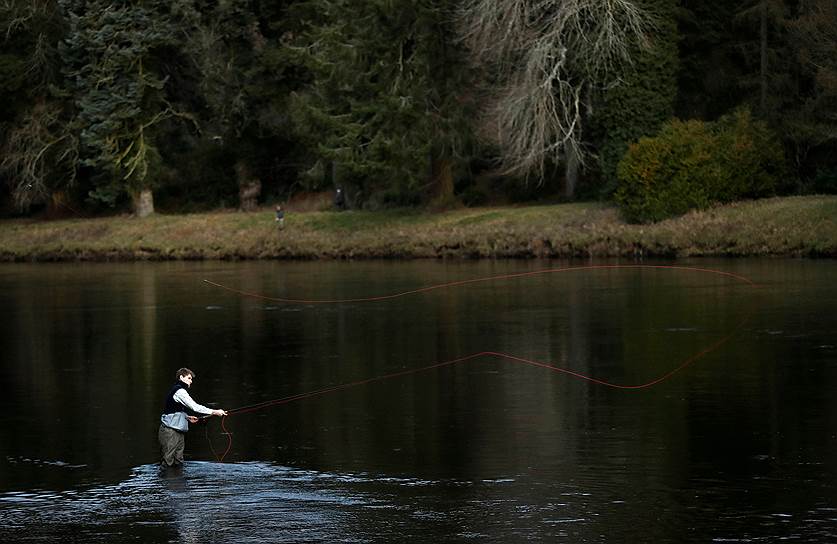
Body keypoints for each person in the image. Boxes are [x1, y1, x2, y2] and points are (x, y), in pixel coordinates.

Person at [159, 368, 227, 467]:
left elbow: (173, 410)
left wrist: (186, 417)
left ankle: (178, 482)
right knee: (167, 461)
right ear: (181, 377)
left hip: (178, 430)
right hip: (170, 432)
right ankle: (166, 481)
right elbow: (195, 407)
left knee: (179, 461)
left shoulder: (179, 391)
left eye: (191, 379)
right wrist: (215, 412)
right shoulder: (180, 391)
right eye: (189, 378)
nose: (191, 381)